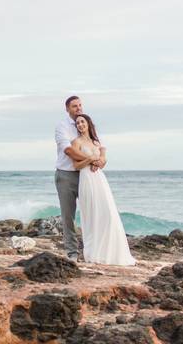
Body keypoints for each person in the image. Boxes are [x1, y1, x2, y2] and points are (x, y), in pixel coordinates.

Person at [69, 113, 135, 265]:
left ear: (88, 123)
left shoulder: (96, 142)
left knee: (108, 214)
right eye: (77, 123)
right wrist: (89, 159)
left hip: (100, 180)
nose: (80, 125)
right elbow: (76, 166)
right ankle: (94, 252)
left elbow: (103, 161)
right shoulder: (76, 142)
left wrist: (99, 162)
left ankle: (111, 253)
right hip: (86, 179)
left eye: (82, 122)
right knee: (92, 216)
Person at [55, 95, 102, 260]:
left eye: (80, 105)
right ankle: (72, 252)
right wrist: (90, 160)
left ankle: (94, 249)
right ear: (67, 109)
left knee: (92, 212)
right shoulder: (62, 126)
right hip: (66, 175)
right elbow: (68, 150)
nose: (79, 108)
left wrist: (99, 161)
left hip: (87, 176)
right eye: (74, 106)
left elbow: (99, 150)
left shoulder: (85, 124)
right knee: (68, 216)